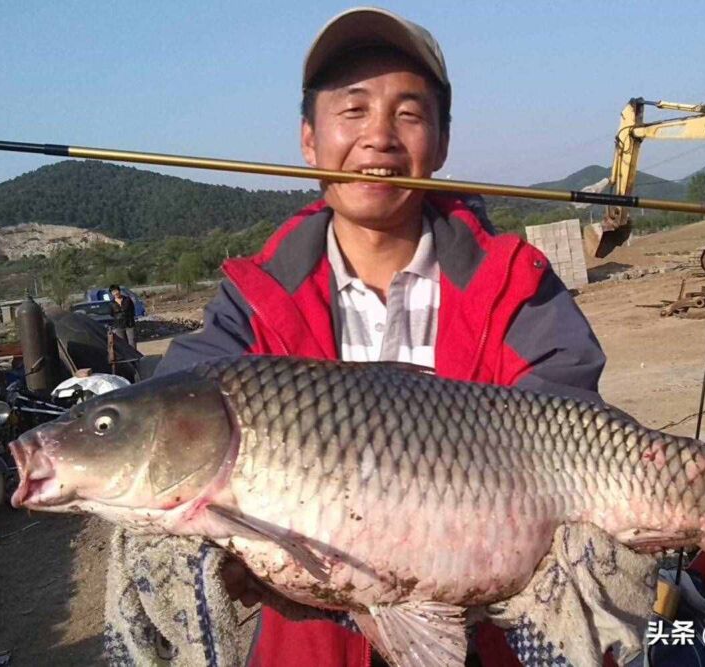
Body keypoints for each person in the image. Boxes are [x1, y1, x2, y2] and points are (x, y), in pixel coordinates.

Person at [147, 7, 610, 666]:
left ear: (443, 143)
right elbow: (171, 408)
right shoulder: (252, 302)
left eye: (409, 114)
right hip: (309, 648)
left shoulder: (516, 285)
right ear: (309, 138)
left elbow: (576, 423)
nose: (379, 139)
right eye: (353, 110)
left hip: (492, 636)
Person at [108, 284, 137, 350]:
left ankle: (135, 357)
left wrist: (130, 318)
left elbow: (132, 310)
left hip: (129, 324)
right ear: (111, 293)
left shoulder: (127, 299)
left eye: (116, 291)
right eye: (113, 292)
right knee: (123, 344)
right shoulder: (111, 303)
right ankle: (127, 358)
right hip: (119, 326)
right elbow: (111, 314)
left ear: (119, 291)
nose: (115, 293)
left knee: (132, 342)